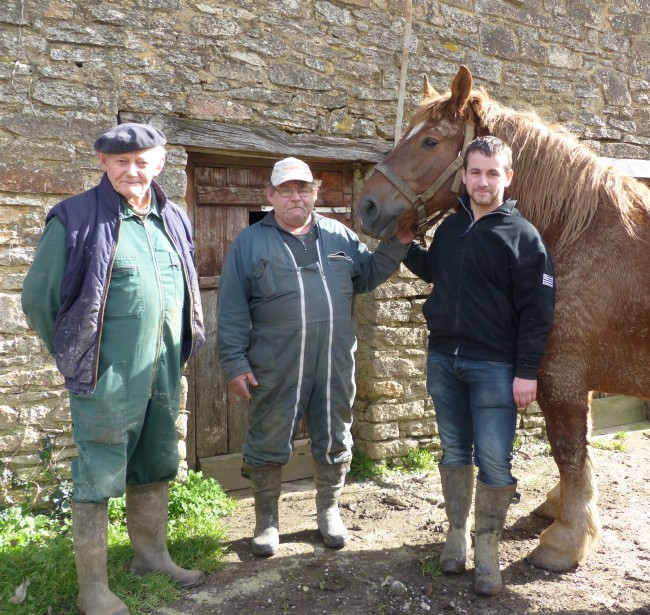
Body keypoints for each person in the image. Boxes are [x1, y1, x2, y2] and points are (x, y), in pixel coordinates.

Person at [21, 123, 206, 615]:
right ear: (103, 163)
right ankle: (94, 590)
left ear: (159, 163)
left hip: (163, 367)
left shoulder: (172, 218)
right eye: (120, 161)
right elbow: (39, 299)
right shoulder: (76, 218)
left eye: (142, 160)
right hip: (106, 374)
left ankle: (151, 557)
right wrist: (79, 354)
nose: (132, 170)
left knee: (155, 459)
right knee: (100, 472)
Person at [216, 157, 412, 557]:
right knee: (268, 440)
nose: (295, 197)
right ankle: (266, 522)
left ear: (315, 193)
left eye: (303, 189)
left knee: (334, 435)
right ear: (269, 196)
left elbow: (368, 275)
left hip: (334, 361)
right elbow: (232, 308)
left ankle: (328, 513)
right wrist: (235, 363)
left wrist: (397, 243)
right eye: (286, 190)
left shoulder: (339, 236)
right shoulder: (249, 243)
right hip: (275, 364)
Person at [403, 136, 555, 596]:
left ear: (508, 178)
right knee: (453, 451)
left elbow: (538, 310)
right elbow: (438, 272)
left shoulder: (524, 237)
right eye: (475, 172)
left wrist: (527, 371)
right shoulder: (452, 228)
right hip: (443, 360)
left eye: (493, 173)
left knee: (493, 459)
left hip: (495, 367)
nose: (483, 181)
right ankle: (456, 537)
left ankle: (487, 550)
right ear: (464, 177)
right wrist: (409, 248)